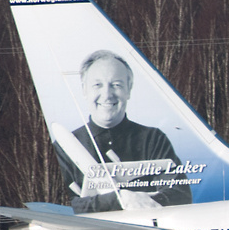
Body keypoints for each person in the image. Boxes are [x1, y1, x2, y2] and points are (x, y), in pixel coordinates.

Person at [58, 50, 194, 212]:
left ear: (129, 89)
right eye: (97, 85)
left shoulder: (153, 139)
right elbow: (61, 206)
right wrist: (118, 200)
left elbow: (180, 194)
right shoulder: (64, 146)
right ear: (84, 89)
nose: (107, 95)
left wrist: (139, 200)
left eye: (116, 85)